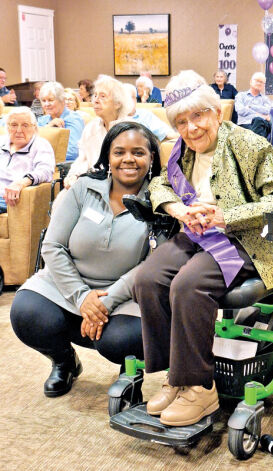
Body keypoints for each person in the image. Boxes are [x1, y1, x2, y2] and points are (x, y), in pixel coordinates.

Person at [133, 70, 273, 427]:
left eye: (198, 116)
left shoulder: (249, 145)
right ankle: (174, 378)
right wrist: (177, 209)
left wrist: (228, 216)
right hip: (197, 233)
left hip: (250, 240)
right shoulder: (182, 150)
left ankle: (199, 387)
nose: (191, 128)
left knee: (188, 285)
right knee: (147, 278)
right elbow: (161, 184)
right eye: (181, 121)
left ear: (217, 113)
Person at [10, 121, 161, 398]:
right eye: (119, 152)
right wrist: (81, 297)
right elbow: (53, 246)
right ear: (107, 157)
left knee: (123, 339)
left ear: (151, 158)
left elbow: (152, 266)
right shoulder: (83, 189)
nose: (128, 159)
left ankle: (130, 373)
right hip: (67, 285)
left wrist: (105, 301)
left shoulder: (161, 201)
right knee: (26, 313)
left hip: (126, 295)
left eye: (138, 152)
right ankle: (64, 362)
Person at [63, 75, 133, 188]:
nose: (95, 100)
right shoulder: (91, 128)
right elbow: (84, 158)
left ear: (118, 103)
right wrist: (73, 175)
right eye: (95, 95)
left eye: (102, 96)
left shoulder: (131, 129)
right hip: (93, 181)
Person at [0, 107, 55, 213]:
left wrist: (21, 182)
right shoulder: (1, 141)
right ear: (7, 127)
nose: (19, 130)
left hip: (8, 197)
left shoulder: (41, 145)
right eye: (14, 125)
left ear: (34, 128)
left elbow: (45, 171)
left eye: (25, 125)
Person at [38, 81, 84, 161]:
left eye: (51, 100)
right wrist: (48, 127)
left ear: (62, 100)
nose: (46, 104)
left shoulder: (74, 119)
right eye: (43, 100)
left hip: (64, 168)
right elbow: (31, 145)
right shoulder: (42, 121)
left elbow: (73, 152)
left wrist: (42, 154)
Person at [235, 72, 272, 140]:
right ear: (251, 82)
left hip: (262, 124)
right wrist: (260, 115)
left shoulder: (265, 99)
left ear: (264, 85)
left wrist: (250, 106)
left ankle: (252, 145)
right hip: (245, 125)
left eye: (261, 82)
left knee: (258, 121)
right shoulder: (241, 95)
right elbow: (241, 111)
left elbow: (266, 110)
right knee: (259, 126)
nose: (259, 83)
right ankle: (257, 145)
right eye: (257, 81)